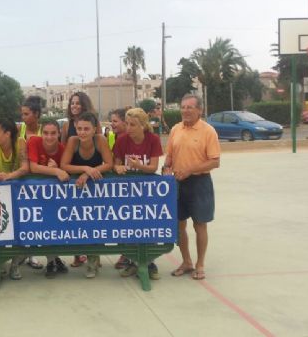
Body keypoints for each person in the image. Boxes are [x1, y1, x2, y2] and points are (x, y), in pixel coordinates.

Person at [164, 95, 220, 281]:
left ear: (199, 110)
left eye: (190, 107)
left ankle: (200, 264)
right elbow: (169, 157)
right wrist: (167, 169)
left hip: (199, 183)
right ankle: (186, 261)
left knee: (200, 224)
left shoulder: (208, 131)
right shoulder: (175, 130)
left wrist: (189, 170)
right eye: (183, 107)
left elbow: (214, 161)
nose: (185, 111)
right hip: (178, 183)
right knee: (179, 224)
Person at [60, 112, 113, 278]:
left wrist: (89, 174)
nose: (82, 132)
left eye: (86, 129)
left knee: (96, 225)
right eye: (79, 128)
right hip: (78, 190)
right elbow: (64, 165)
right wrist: (86, 169)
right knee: (78, 226)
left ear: (94, 129)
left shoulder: (100, 140)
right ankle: (84, 256)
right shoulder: (73, 141)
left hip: (95, 190)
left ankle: (92, 261)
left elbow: (109, 164)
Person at [112, 108, 163, 280]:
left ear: (143, 125)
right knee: (128, 225)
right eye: (127, 124)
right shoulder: (122, 141)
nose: (128, 128)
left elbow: (153, 167)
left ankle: (149, 261)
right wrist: (118, 167)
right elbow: (116, 164)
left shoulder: (153, 140)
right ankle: (132, 260)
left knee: (148, 225)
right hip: (127, 191)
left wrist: (138, 165)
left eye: (133, 125)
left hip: (147, 191)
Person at [0, 117, 29, 280]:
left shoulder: (20, 143)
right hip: (1, 195)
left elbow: (25, 168)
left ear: (7, 134)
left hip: (20, 194)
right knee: (0, 229)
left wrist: (9, 176)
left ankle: (15, 264)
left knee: (21, 231)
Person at [27, 119, 70, 278]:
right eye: (46, 133)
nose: (49, 137)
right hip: (34, 196)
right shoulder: (33, 142)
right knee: (40, 228)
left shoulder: (62, 149)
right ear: (41, 133)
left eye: (53, 133)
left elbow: (67, 171)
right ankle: (51, 260)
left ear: (59, 134)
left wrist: (58, 169)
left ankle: (54, 259)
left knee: (53, 228)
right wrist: (55, 171)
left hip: (55, 198)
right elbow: (33, 167)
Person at [18, 96, 45, 269]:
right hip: (23, 182)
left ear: (36, 114)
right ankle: (23, 255)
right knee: (24, 220)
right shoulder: (19, 130)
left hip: (42, 181)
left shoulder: (46, 130)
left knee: (40, 220)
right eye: (22, 114)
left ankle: (40, 255)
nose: (23, 117)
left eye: (26, 114)